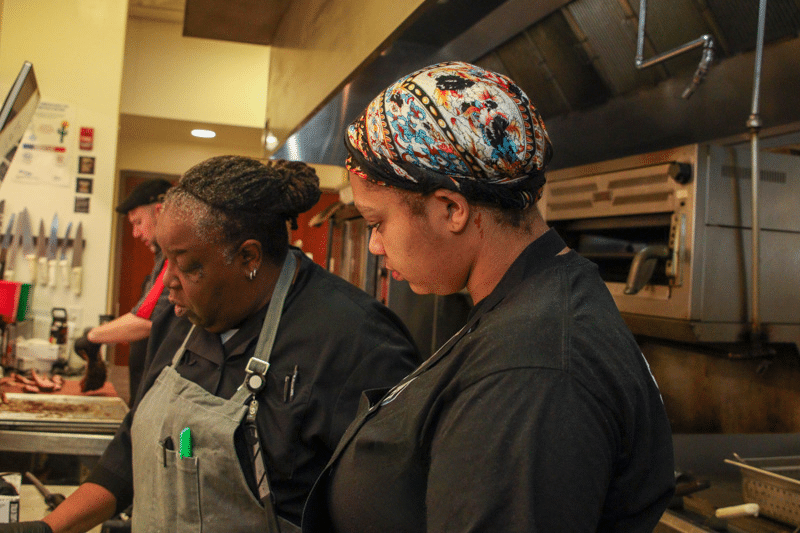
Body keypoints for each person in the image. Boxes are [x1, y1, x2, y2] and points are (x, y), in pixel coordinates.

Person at [301, 62, 675, 532]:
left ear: (451, 209)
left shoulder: (531, 370)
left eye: (378, 223)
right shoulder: (525, 305)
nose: (375, 245)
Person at [4, 157, 419, 533]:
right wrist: (48, 529)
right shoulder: (182, 317)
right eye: (166, 261)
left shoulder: (359, 345)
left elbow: (387, 515)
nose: (169, 282)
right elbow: (134, 452)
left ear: (248, 258)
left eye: (187, 266)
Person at [72, 178, 172, 404]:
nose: (135, 233)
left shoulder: (171, 262)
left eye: (138, 222)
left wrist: (92, 336)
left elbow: (146, 321)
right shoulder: (162, 260)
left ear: (159, 212)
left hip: (159, 394)